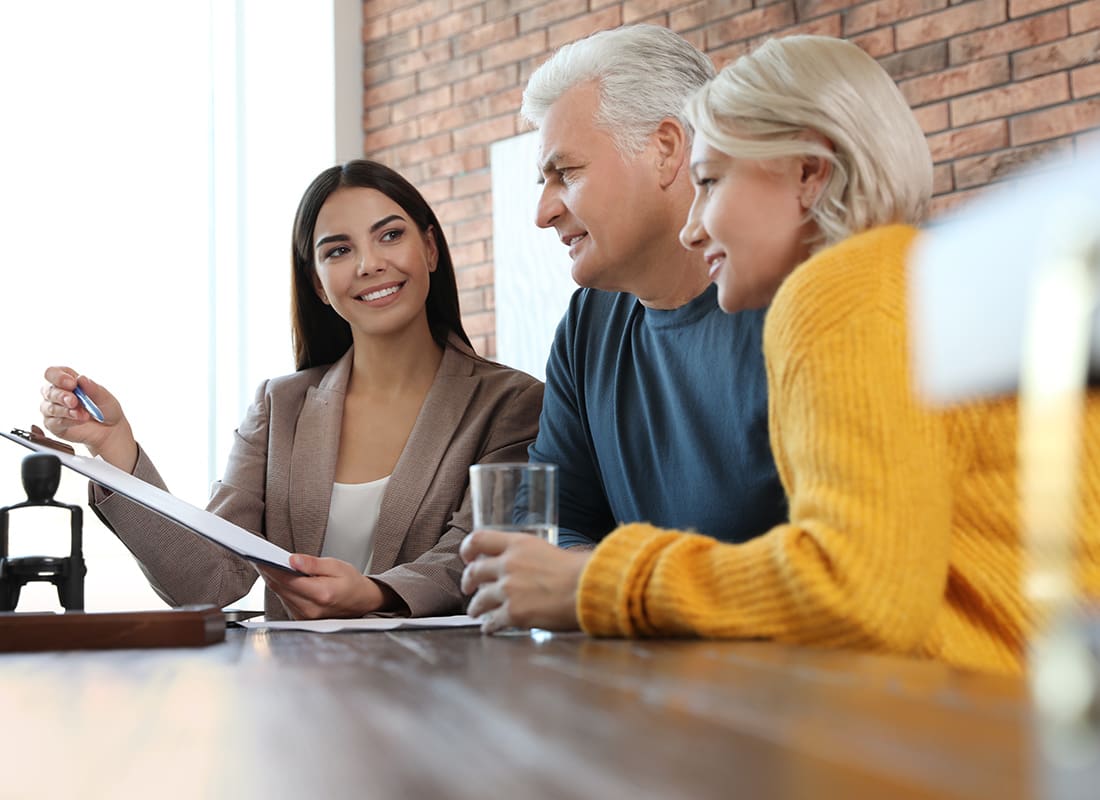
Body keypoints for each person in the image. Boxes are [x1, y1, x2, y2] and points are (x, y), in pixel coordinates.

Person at [462, 35, 1100, 675]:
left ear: (808, 172)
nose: (694, 224)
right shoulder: (904, 279)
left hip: (988, 727)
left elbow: (858, 589)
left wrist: (596, 585)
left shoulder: (842, 290)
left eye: (709, 182)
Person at [40, 159, 543, 620]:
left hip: (446, 696)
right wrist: (113, 449)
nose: (369, 263)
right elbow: (209, 579)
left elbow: (479, 553)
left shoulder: (511, 403)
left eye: (390, 235)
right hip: (296, 699)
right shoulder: (280, 405)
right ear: (319, 284)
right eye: (340, 250)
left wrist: (374, 592)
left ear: (430, 249)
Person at [516, 27, 788, 548]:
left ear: (665, 150)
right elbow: (551, 525)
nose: (543, 212)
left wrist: (599, 584)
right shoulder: (586, 325)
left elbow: (838, 561)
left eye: (565, 173)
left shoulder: (796, 296)